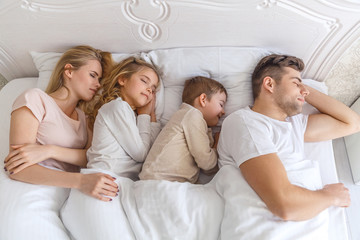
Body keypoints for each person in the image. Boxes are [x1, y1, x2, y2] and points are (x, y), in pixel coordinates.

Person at [218, 54, 360, 221]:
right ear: (269, 84)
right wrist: (330, 196)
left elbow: (352, 123)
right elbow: (284, 206)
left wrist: (301, 88)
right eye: (296, 83)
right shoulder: (245, 122)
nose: (305, 91)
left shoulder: (294, 125)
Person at [3, 45, 119, 200]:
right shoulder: (35, 99)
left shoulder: (87, 118)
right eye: (92, 75)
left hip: (68, 195)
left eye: (99, 79)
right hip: (29, 189)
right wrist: (82, 181)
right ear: (69, 71)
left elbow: (90, 157)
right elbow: (18, 169)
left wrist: (49, 150)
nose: (98, 84)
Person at [85, 56, 161, 182]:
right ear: (123, 79)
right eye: (144, 80)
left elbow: (150, 152)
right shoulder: (117, 107)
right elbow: (141, 155)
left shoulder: (132, 117)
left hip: (118, 183)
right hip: (102, 180)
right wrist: (144, 115)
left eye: (153, 89)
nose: (149, 89)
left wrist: (151, 114)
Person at [139, 76, 227, 183]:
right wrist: (217, 144)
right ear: (203, 99)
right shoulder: (192, 115)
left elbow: (209, 169)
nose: (223, 112)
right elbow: (206, 162)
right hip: (159, 181)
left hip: (164, 181)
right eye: (221, 104)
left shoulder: (194, 121)